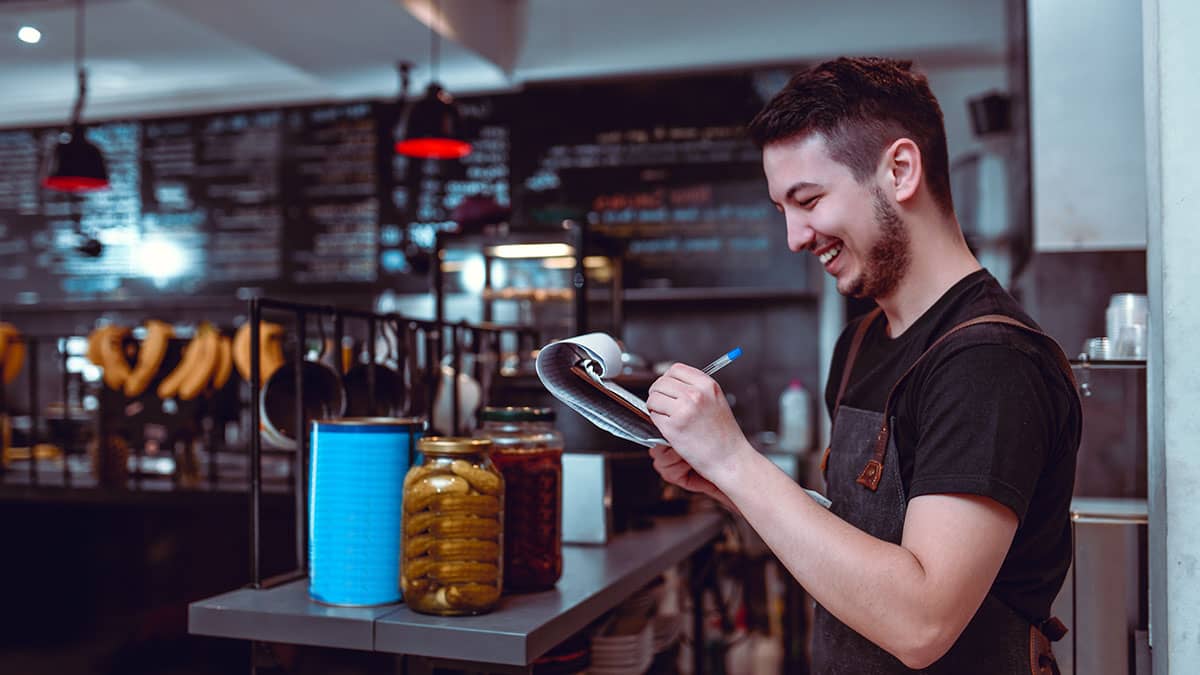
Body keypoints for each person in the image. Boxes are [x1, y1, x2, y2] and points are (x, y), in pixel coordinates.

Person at [645, 57, 1081, 674]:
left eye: (809, 199)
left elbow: (920, 621)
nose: (795, 237)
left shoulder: (989, 360)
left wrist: (735, 460)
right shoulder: (861, 341)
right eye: (782, 210)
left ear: (900, 171)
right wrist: (732, 487)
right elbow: (857, 542)